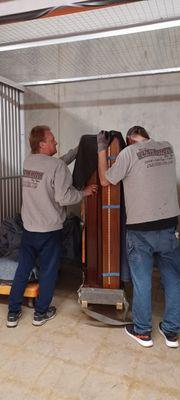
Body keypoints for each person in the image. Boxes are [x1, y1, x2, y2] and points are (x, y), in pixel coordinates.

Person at [7, 125, 98, 328]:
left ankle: (12, 313)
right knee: (49, 271)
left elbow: (55, 165)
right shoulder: (56, 167)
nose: (55, 142)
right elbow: (63, 197)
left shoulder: (29, 161)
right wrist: (84, 192)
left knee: (22, 269)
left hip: (29, 228)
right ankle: (40, 313)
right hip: (49, 231)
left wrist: (76, 151)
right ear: (42, 144)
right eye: (52, 139)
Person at [97, 126, 180, 348]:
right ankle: (171, 331)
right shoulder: (167, 148)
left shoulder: (128, 153)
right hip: (170, 225)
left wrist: (102, 150)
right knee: (173, 278)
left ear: (128, 140)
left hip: (141, 228)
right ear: (146, 136)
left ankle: (143, 331)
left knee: (142, 280)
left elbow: (106, 181)